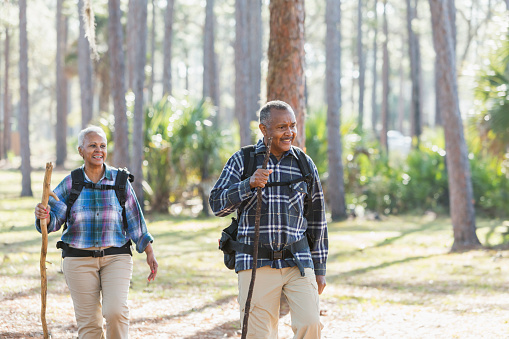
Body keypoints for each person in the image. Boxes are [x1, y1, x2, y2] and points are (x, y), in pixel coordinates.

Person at [209, 100, 328, 339]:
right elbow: (216, 204)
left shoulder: (304, 164)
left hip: (298, 260)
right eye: (282, 127)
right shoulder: (242, 160)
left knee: (310, 324)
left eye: (292, 126)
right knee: (258, 334)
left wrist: (320, 267)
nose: (290, 132)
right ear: (264, 130)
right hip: (255, 261)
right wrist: (248, 184)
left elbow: (317, 219)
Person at [35, 125, 158, 339]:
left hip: (116, 257)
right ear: (81, 150)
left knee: (116, 312)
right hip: (78, 260)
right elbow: (53, 221)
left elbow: (135, 220)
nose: (98, 150)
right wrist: (43, 216)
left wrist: (149, 251)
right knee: (89, 325)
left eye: (102, 145)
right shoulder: (72, 182)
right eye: (92, 145)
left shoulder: (120, 181)